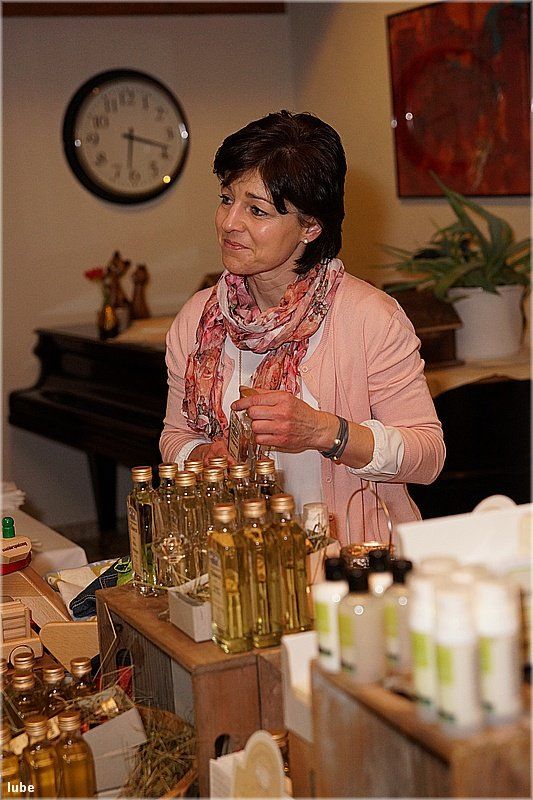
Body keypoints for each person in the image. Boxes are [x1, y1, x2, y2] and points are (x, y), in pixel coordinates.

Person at [160, 110, 445, 544]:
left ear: (310, 226)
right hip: (240, 557)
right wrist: (202, 455)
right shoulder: (199, 319)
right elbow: (175, 436)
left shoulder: (371, 318)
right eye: (226, 199)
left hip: (355, 560)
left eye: (257, 210)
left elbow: (428, 456)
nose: (230, 223)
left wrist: (324, 432)